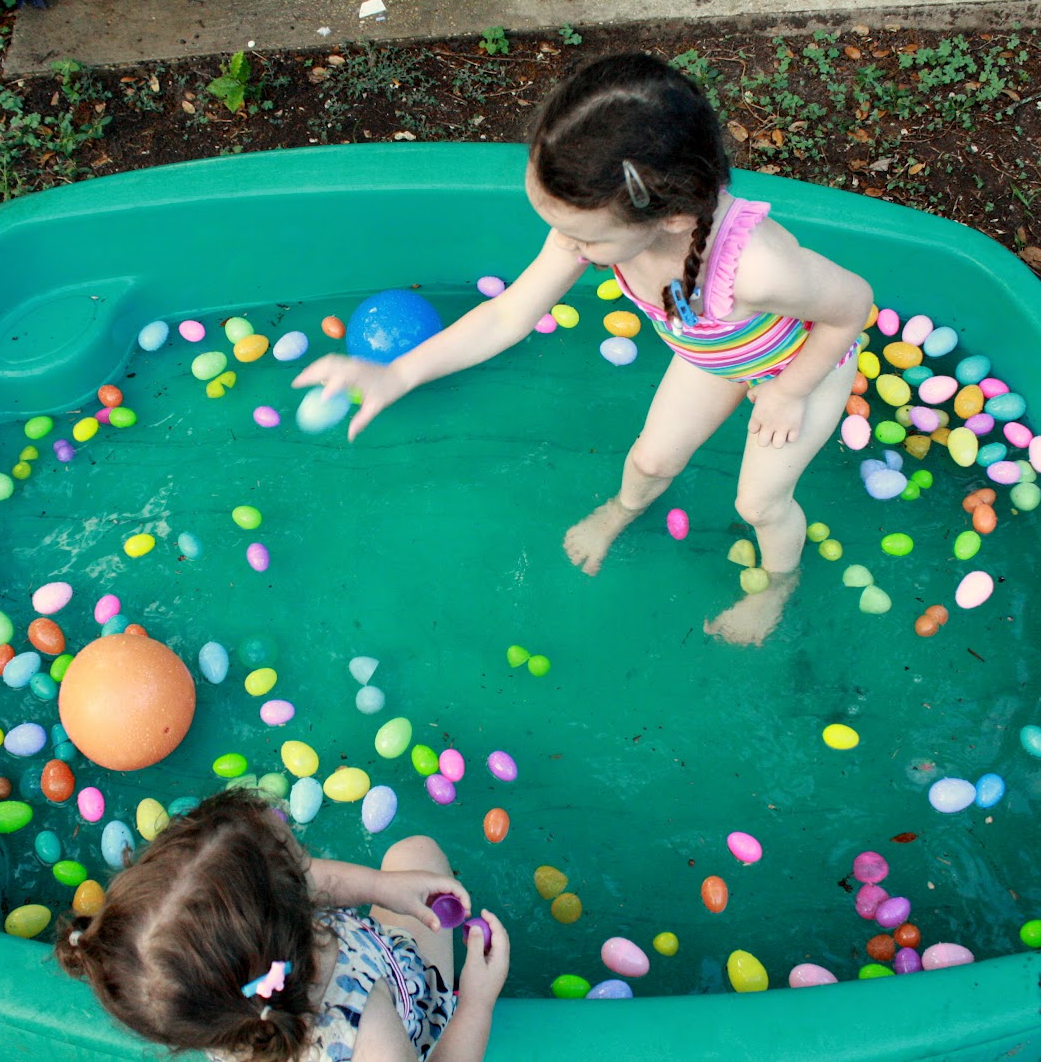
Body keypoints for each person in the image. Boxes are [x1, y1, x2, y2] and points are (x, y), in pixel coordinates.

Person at [293, 53, 873, 646]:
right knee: (650, 460)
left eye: (585, 238)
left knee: (759, 502)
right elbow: (507, 314)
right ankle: (623, 508)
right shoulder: (596, 216)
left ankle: (777, 586)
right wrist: (398, 375)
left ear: (674, 214)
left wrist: (788, 392)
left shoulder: (758, 268)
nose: (567, 246)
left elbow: (853, 307)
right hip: (714, 354)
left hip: (801, 364)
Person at [55, 788, 509, 1062]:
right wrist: (477, 1002)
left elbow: (313, 881)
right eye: (295, 858)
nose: (306, 863)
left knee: (405, 866)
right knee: (418, 851)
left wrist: (380, 887)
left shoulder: (224, 996)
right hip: (409, 1014)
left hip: (357, 977)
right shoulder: (375, 1042)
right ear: (293, 915)